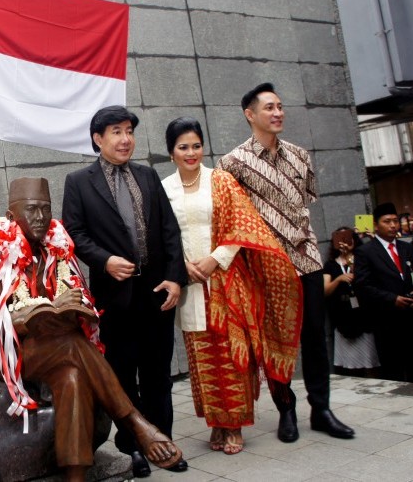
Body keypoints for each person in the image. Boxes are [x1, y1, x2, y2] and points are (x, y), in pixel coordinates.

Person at [0, 177, 183, 480]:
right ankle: (136, 422)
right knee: (71, 345)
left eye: (46, 210)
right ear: (10, 217)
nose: (40, 218)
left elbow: (83, 305)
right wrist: (32, 314)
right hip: (14, 353)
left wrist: (75, 309)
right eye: (31, 210)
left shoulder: (57, 254)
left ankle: (75, 476)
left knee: (72, 377)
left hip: (61, 351)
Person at [217, 82, 354, 442]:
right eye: (269, 108)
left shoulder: (299, 154)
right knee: (276, 340)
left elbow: (306, 202)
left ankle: (321, 409)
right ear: (250, 115)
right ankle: (286, 410)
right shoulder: (232, 163)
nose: (278, 113)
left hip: (307, 259)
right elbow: (232, 217)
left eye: (280, 106)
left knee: (314, 336)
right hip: (267, 264)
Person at [161, 117, 302, 455]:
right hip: (190, 284)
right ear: (171, 153)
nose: (191, 152)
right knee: (202, 355)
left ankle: (235, 424)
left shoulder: (221, 180)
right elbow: (162, 234)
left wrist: (216, 259)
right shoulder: (164, 188)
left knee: (231, 355)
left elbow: (244, 226)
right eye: (183, 147)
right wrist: (180, 265)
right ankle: (217, 422)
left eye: (196, 145)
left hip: (226, 279)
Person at [62, 105, 189, 477]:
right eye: (116, 131)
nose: (125, 138)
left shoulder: (148, 177)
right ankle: (132, 445)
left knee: (158, 374)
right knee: (121, 374)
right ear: (98, 139)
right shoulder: (79, 182)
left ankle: (163, 441)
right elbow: (75, 234)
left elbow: (170, 231)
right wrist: (105, 261)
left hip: (156, 294)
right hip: (114, 300)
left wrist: (175, 277)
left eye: (129, 130)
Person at [354, 203, 413, 381]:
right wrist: (391, 298)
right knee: (392, 367)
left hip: (410, 315)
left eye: (395, 221)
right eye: (387, 221)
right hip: (386, 318)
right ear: (376, 225)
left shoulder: (407, 248)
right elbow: (363, 285)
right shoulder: (365, 252)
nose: (393, 225)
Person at [323, 227, 380, 378]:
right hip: (343, 318)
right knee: (349, 365)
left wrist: (350, 256)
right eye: (339, 238)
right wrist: (338, 279)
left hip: (364, 316)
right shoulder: (330, 265)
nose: (344, 242)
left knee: (370, 360)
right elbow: (325, 290)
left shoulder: (362, 259)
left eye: (348, 238)